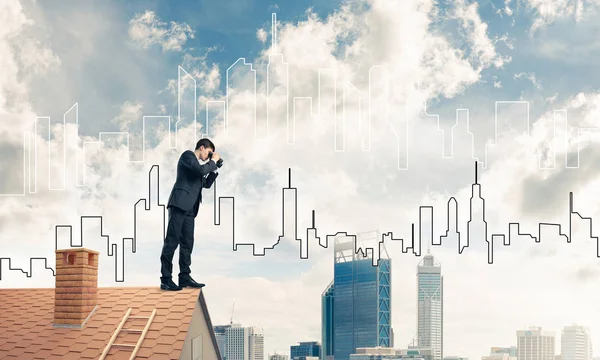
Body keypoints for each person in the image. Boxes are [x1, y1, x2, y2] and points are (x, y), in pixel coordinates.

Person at [160, 138, 221, 291]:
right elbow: (200, 171)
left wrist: (214, 168)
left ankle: (184, 278)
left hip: (190, 209)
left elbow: (205, 184)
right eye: (209, 152)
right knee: (172, 242)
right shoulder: (188, 156)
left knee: (187, 243)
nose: (209, 156)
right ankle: (166, 279)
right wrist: (212, 162)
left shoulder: (198, 167)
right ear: (202, 147)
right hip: (179, 204)